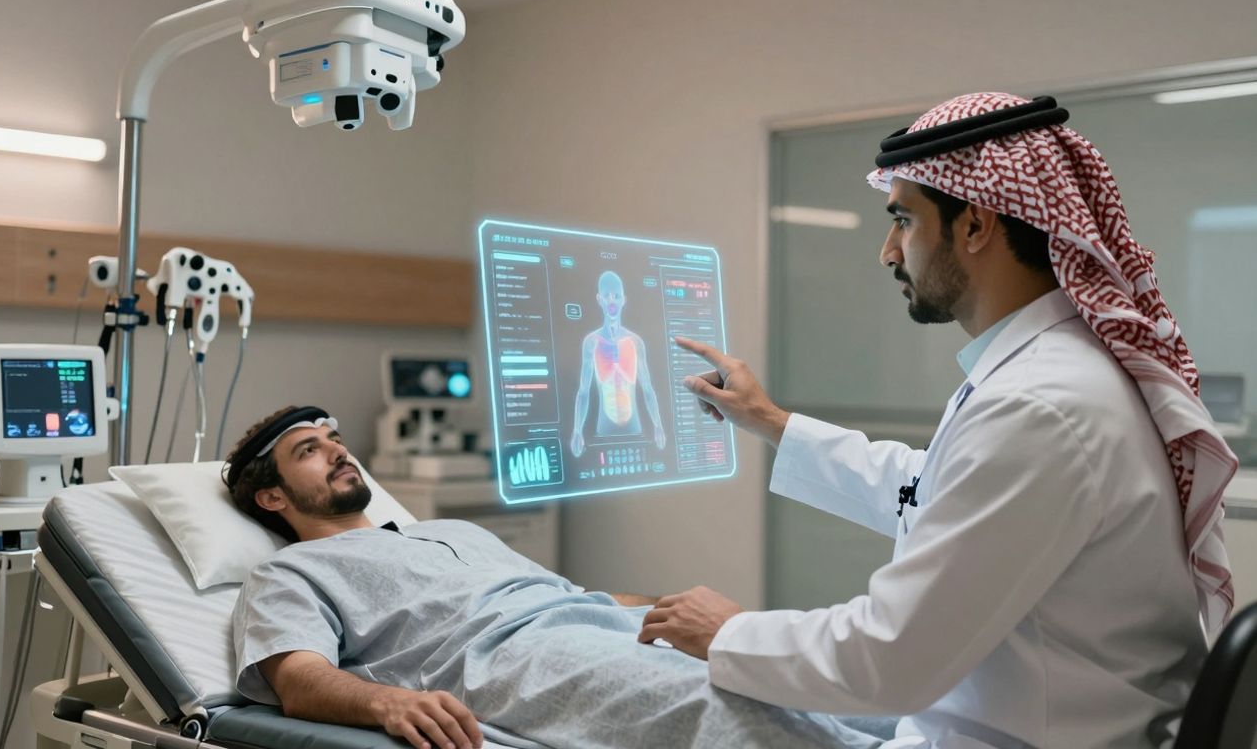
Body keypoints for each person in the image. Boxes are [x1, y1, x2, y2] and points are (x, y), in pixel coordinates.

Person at [640, 93, 1238, 749]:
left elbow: (890, 660)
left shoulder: (1040, 406)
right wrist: (771, 421)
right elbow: (936, 491)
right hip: (1028, 717)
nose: (888, 252)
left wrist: (729, 631)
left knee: (656, 691)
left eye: (903, 220)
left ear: (975, 225)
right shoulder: (1055, 373)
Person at [225, 405, 883, 749]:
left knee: (802, 670)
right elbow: (299, 679)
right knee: (719, 712)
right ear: (272, 498)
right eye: (307, 451)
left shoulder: (448, 530)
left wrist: (668, 606)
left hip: (603, 628)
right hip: (521, 662)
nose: (337, 449)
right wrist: (386, 703)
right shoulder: (290, 572)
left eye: (334, 438)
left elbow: (566, 596)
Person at [570, 270, 667, 457]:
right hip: (604, 428)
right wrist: (576, 430)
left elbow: (647, 388)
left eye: (617, 296)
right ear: (599, 299)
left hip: (634, 427)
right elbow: (583, 391)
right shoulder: (591, 342)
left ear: (624, 300)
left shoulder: (636, 342)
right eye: (607, 296)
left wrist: (658, 425)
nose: (612, 301)